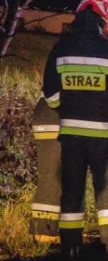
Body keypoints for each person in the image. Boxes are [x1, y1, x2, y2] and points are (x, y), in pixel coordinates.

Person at [42, 0, 108, 260]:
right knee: (107, 189)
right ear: (103, 18)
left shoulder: (61, 47)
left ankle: (69, 247)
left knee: (72, 189)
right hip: (103, 134)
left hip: (70, 134)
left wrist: (68, 111)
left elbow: (50, 95)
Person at [29, 98, 61, 243]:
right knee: (51, 173)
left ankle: (56, 230)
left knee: (61, 176)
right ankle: (43, 232)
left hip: (58, 113)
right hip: (52, 114)